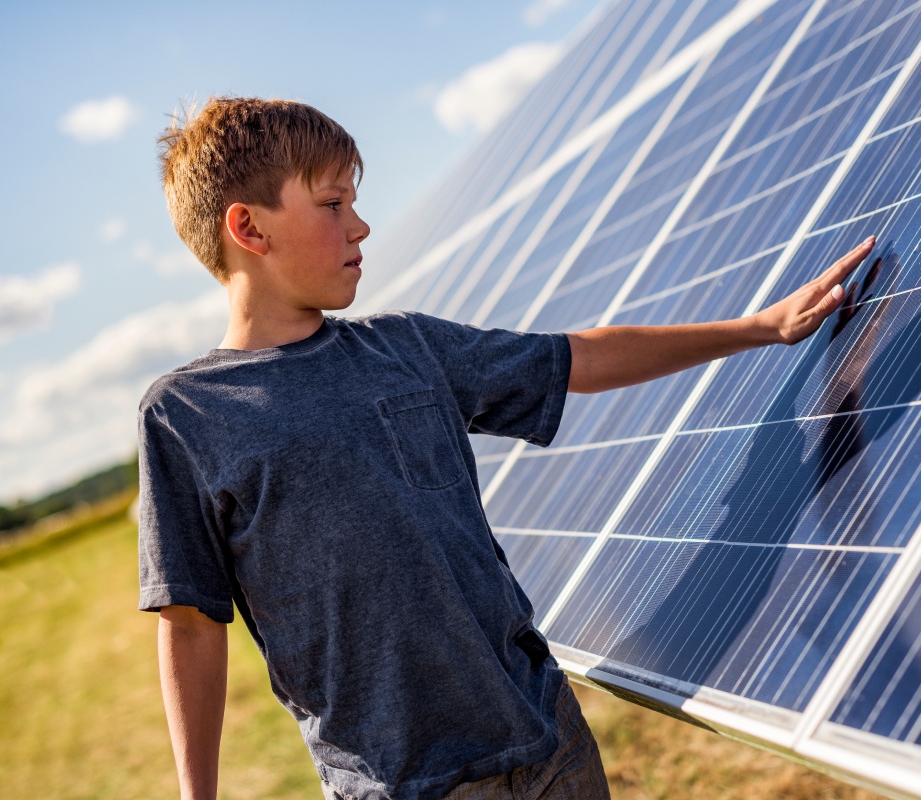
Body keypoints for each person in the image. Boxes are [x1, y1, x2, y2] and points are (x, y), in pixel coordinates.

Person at [138, 96, 873, 800]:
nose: (360, 226)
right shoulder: (186, 416)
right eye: (333, 204)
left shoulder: (409, 348)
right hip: (402, 787)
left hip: (550, 748)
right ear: (249, 228)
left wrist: (758, 328)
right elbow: (191, 625)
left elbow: (580, 356)